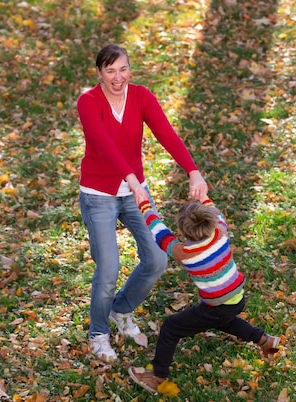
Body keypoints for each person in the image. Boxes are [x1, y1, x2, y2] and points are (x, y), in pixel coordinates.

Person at [76, 43, 208, 362]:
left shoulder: (141, 97)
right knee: (108, 268)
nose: (118, 77)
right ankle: (98, 333)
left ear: (129, 69)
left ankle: (120, 311)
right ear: (99, 73)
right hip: (99, 195)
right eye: (110, 71)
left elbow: (166, 134)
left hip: (135, 194)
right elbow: (104, 145)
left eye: (123, 69)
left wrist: (193, 171)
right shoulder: (89, 102)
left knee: (156, 260)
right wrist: (131, 178)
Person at [128, 196, 281, 394]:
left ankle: (157, 377)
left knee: (171, 328)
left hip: (217, 305)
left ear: (183, 232)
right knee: (223, 320)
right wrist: (204, 198)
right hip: (236, 297)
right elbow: (218, 213)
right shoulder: (221, 232)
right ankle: (264, 340)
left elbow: (160, 233)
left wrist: (145, 206)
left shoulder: (184, 253)